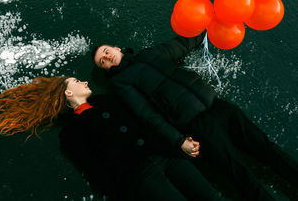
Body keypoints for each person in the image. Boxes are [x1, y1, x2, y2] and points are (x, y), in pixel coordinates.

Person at [92, 33, 298, 201]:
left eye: (107, 52)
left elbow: (181, 43)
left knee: (267, 148)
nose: (108, 57)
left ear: (117, 48)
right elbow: (148, 115)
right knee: (241, 174)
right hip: (197, 125)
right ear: (106, 69)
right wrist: (179, 141)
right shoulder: (122, 83)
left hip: (219, 107)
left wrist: (208, 25)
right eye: (103, 61)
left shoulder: (150, 53)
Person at [0, 76, 224, 201]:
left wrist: (179, 142)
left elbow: (147, 122)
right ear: (68, 93)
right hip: (140, 178)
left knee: (213, 198)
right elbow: (97, 173)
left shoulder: (109, 100)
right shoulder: (70, 135)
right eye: (77, 81)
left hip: (165, 156)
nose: (84, 81)